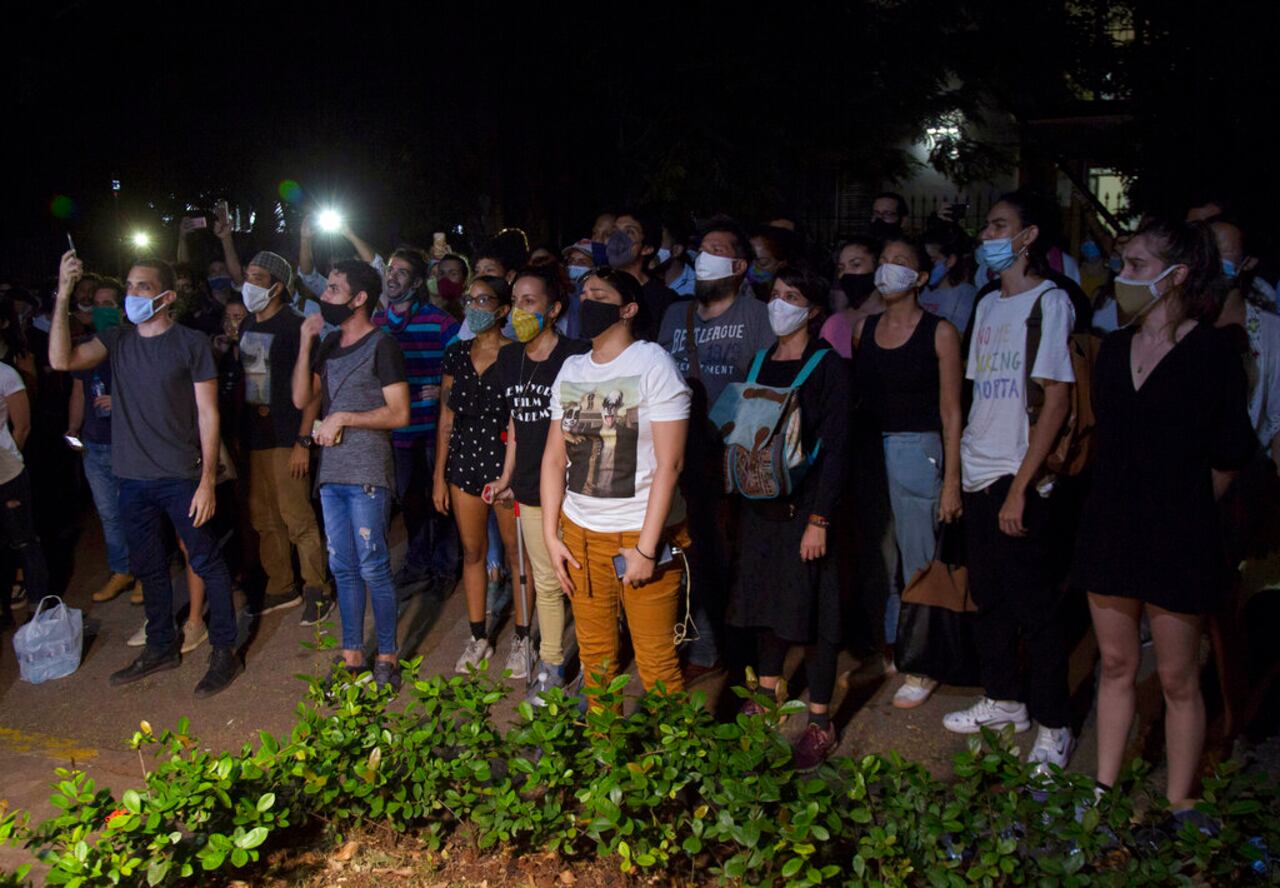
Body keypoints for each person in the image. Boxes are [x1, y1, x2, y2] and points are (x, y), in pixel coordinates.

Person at [1072, 217, 1254, 806]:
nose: (1123, 277)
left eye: (1137, 267)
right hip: (1110, 529)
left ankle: (1180, 803)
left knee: (1177, 678)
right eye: (1124, 264)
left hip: (1179, 537)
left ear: (1176, 277)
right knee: (1118, 664)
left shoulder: (1212, 352)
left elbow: (1230, 456)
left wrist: (1183, 508)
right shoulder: (1115, 348)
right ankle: (1102, 789)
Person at [49, 251, 242, 697]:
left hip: (180, 477)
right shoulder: (117, 340)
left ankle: (224, 651)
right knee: (149, 566)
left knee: (207, 561)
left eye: (143, 287)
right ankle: (160, 646)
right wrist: (62, 294)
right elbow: (61, 360)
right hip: (132, 479)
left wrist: (207, 480)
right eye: (129, 285)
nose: (131, 293)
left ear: (167, 297)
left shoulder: (191, 344)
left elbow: (208, 414)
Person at [943, 192, 1077, 770]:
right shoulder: (988, 303)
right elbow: (976, 395)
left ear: (1028, 237)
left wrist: (1022, 486)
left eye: (1000, 226)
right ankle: (1004, 700)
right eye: (986, 226)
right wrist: (958, 475)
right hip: (977, 471)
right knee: (989, 598)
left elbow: (1057, 400)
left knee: (1035, 608)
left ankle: (1054, 723)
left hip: (1016, 475)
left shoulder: (1051, 303)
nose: (986, 236)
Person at [543, 267, 691, 698]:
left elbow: (671, 463)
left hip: (637, 535)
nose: (586, 301)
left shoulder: (652, 363)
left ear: (627, 309)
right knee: (596, 659)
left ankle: (676, 762)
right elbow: (554, 460)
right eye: (583, 293)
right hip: (581, 536)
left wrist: (646, 549)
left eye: (599, 294)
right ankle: (605, 755)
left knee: (657, 662)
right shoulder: (571, 367)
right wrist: (553, 536)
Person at [727, 265, 849, 768]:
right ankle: (769, 693)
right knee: (765, 605)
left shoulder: (829, 367)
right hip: (760, 508)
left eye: (791, 296)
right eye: (774, 294)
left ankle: (820, 719)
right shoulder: (759, 361)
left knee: (817, 613)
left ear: (813, 309)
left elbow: (839, 448)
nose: (779, 304)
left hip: (806, 511)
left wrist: (820, 519)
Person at [657, 217, 774, 681]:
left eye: (718, 249)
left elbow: (766, 390)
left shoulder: (758, 316)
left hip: (731, 456)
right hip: (679, 454)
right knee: (683, 549)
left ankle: (729, 647)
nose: (705, 256)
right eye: (702, 247)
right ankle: (692, 638)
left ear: (740, 265)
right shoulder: (674, 314)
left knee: (725, 553)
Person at [852, 238, 964, 707]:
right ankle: (897, 648)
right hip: (872, 453)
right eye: (885, 259)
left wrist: (953, 481)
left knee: (920, 559)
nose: (888, 268)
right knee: (884, 562)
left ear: (921, 278)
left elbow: (952, 411)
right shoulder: (864, 328)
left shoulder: (940, 332)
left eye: (901, 262)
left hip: (919, 451)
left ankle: (925, 661)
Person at [291, 260, 410, 691]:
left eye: (335, 290)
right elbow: (303, 398)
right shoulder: (328, 344)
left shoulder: (383, 345)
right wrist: (305, 344)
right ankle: (351, 655)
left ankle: (388, 656)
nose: (325, 297)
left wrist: (344, 416)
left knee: (373, 565)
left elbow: (399, 412)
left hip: (367, 473)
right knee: (342, 566)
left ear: (359, 299)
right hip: (332, 474)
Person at [488, 266, 590, 694]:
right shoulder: (510, 357)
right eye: (515, 302)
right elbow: (514, 422)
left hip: (577, 490)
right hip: (530, 489)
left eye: (530, 302)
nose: (518, 310)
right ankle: (550, 664)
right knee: (546, 581)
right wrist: (507, 475)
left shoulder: (577, 354)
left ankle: (592, 662)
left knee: (583, 584)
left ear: (554, 308)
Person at [237, 251, 333, 622]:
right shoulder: (247, 325)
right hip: (256, 436)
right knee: (263, 518)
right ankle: (281, 587)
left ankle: (317, 589)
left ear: (278, 285)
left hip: (286, 435)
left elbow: (314, 388)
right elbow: (252, 383)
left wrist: (302, 441)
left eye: (258, 277)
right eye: (248, 275)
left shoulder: (296, 327)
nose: (249, 284)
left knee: (297, 517)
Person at [433, 275, 522, 673]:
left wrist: (516, 473)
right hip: (464, 462)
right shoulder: (456, 354)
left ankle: (522, 638)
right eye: (471, 299)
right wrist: (439, 476)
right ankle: (478, 637)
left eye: (485, 300)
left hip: (506, 464)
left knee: (517, 553)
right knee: (473, 552)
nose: (475, 306)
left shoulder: (519, 355)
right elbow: (446, 419)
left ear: (503, 310)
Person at [371, 247, 461, 599]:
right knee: (409, 502)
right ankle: (418, 563)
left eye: (402, 272)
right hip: (396, 435)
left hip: (434, 431)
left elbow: (464, 371)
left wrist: (441, 386)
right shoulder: (376, 325)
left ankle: (444, 567)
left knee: (439, 501)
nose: (392, 276)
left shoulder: (441, 323)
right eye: (390, 269)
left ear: (418, 281)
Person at [65, 283, 136, 605]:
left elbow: (152, 393)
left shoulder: (133, 344)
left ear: (122, 309)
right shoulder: (86, 347)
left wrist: (121, 402)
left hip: (128, 443)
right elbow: (79, 391)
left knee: (137, 512)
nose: (102, 309)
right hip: (95, 446)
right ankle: (122, 570)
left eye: (109, 303)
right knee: (108, 513)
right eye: (97, 304)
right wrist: (73, 429)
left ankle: (148, 574)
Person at [0, 329, 48, 634]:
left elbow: (23, 426)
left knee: (23, 540)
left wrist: (10, 459)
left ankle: (39, 604)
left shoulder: (6, 375)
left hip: (7, 471)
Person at [605, 209, 675, 341]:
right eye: (615, 231)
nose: (617, 238)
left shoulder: (663, 299)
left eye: (629, 232)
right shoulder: (594, 289)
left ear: (647, 249)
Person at [821, 238, 882, 356]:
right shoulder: (834, 325)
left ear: (878, 267)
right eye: (841, 268)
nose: (846, 273)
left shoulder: (898, 319)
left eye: (856, 265)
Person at [920, 225, 978, 335]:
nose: (927, 264)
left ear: (950, 260)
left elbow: (959, 336)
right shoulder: (924, 290)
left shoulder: (966, 294)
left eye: (933, 259)